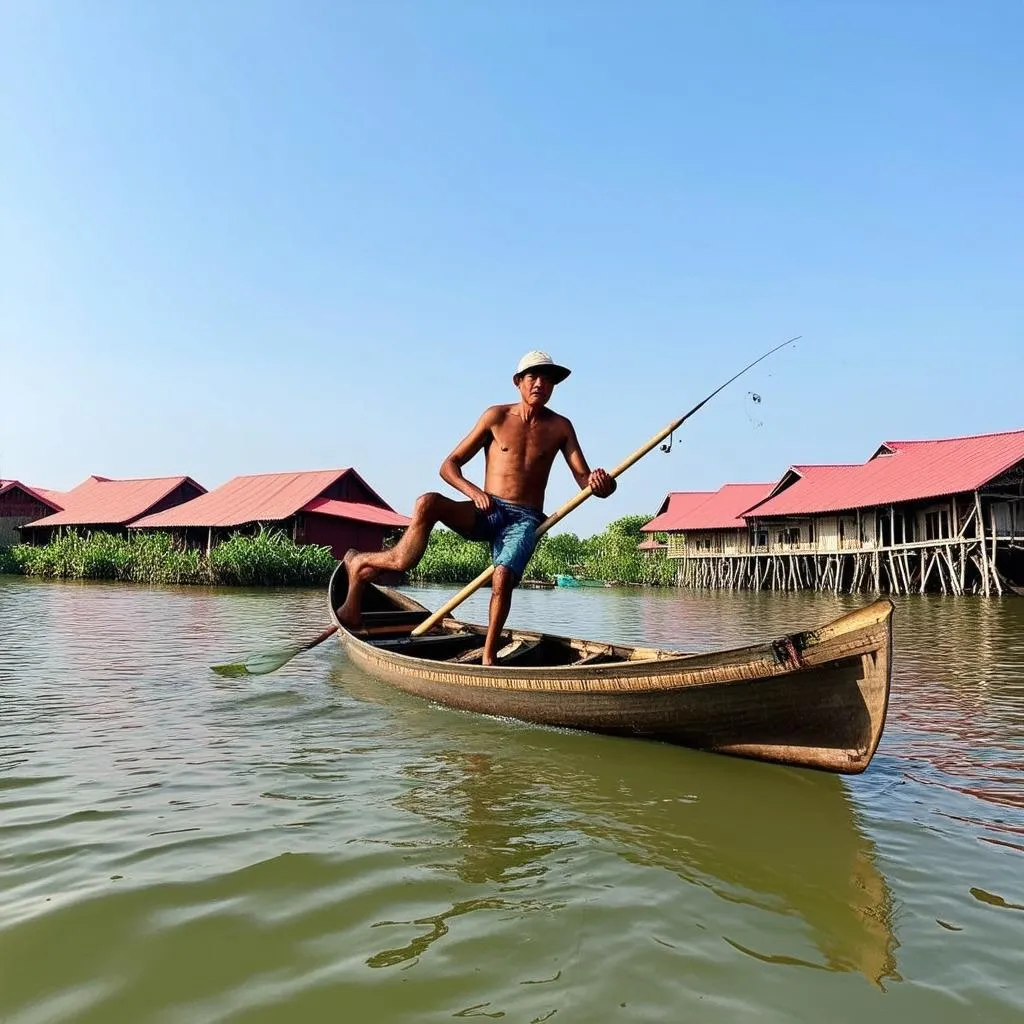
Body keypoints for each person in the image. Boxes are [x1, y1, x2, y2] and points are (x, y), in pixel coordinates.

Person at [337, 350, 617, 663]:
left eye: (548, 379)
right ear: (518, 382)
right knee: (426, 504)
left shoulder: (561, 427)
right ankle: (361, 567)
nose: (540, 384)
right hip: (487, 509)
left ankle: (487, 659)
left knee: (502, 580)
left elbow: (584, 479)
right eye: (533, 377)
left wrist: (602, 483)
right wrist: (473, 492)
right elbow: (449, 465)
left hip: (523, 520)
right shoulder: (495, 417)